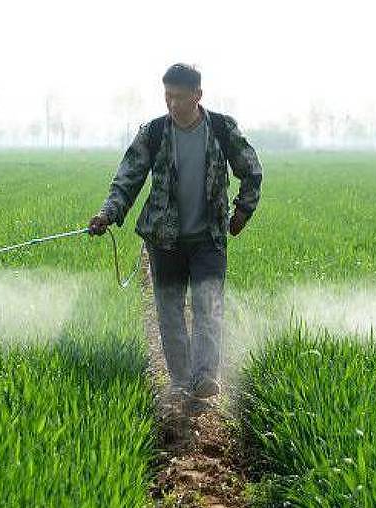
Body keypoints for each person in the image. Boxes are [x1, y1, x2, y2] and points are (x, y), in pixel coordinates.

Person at [88, 63, 262, 399]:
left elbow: (252, 169)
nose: (172, 104)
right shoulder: (152, 133)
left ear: (198, 95)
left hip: (208, 238)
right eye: (167, 96)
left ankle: (206, 376)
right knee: (169, 312)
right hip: (163, 240)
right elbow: (127, 179)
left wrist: (243, 210)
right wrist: (107, 214)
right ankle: (182, 382)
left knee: (207, 304)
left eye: (179, 97)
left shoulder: (223, 129)